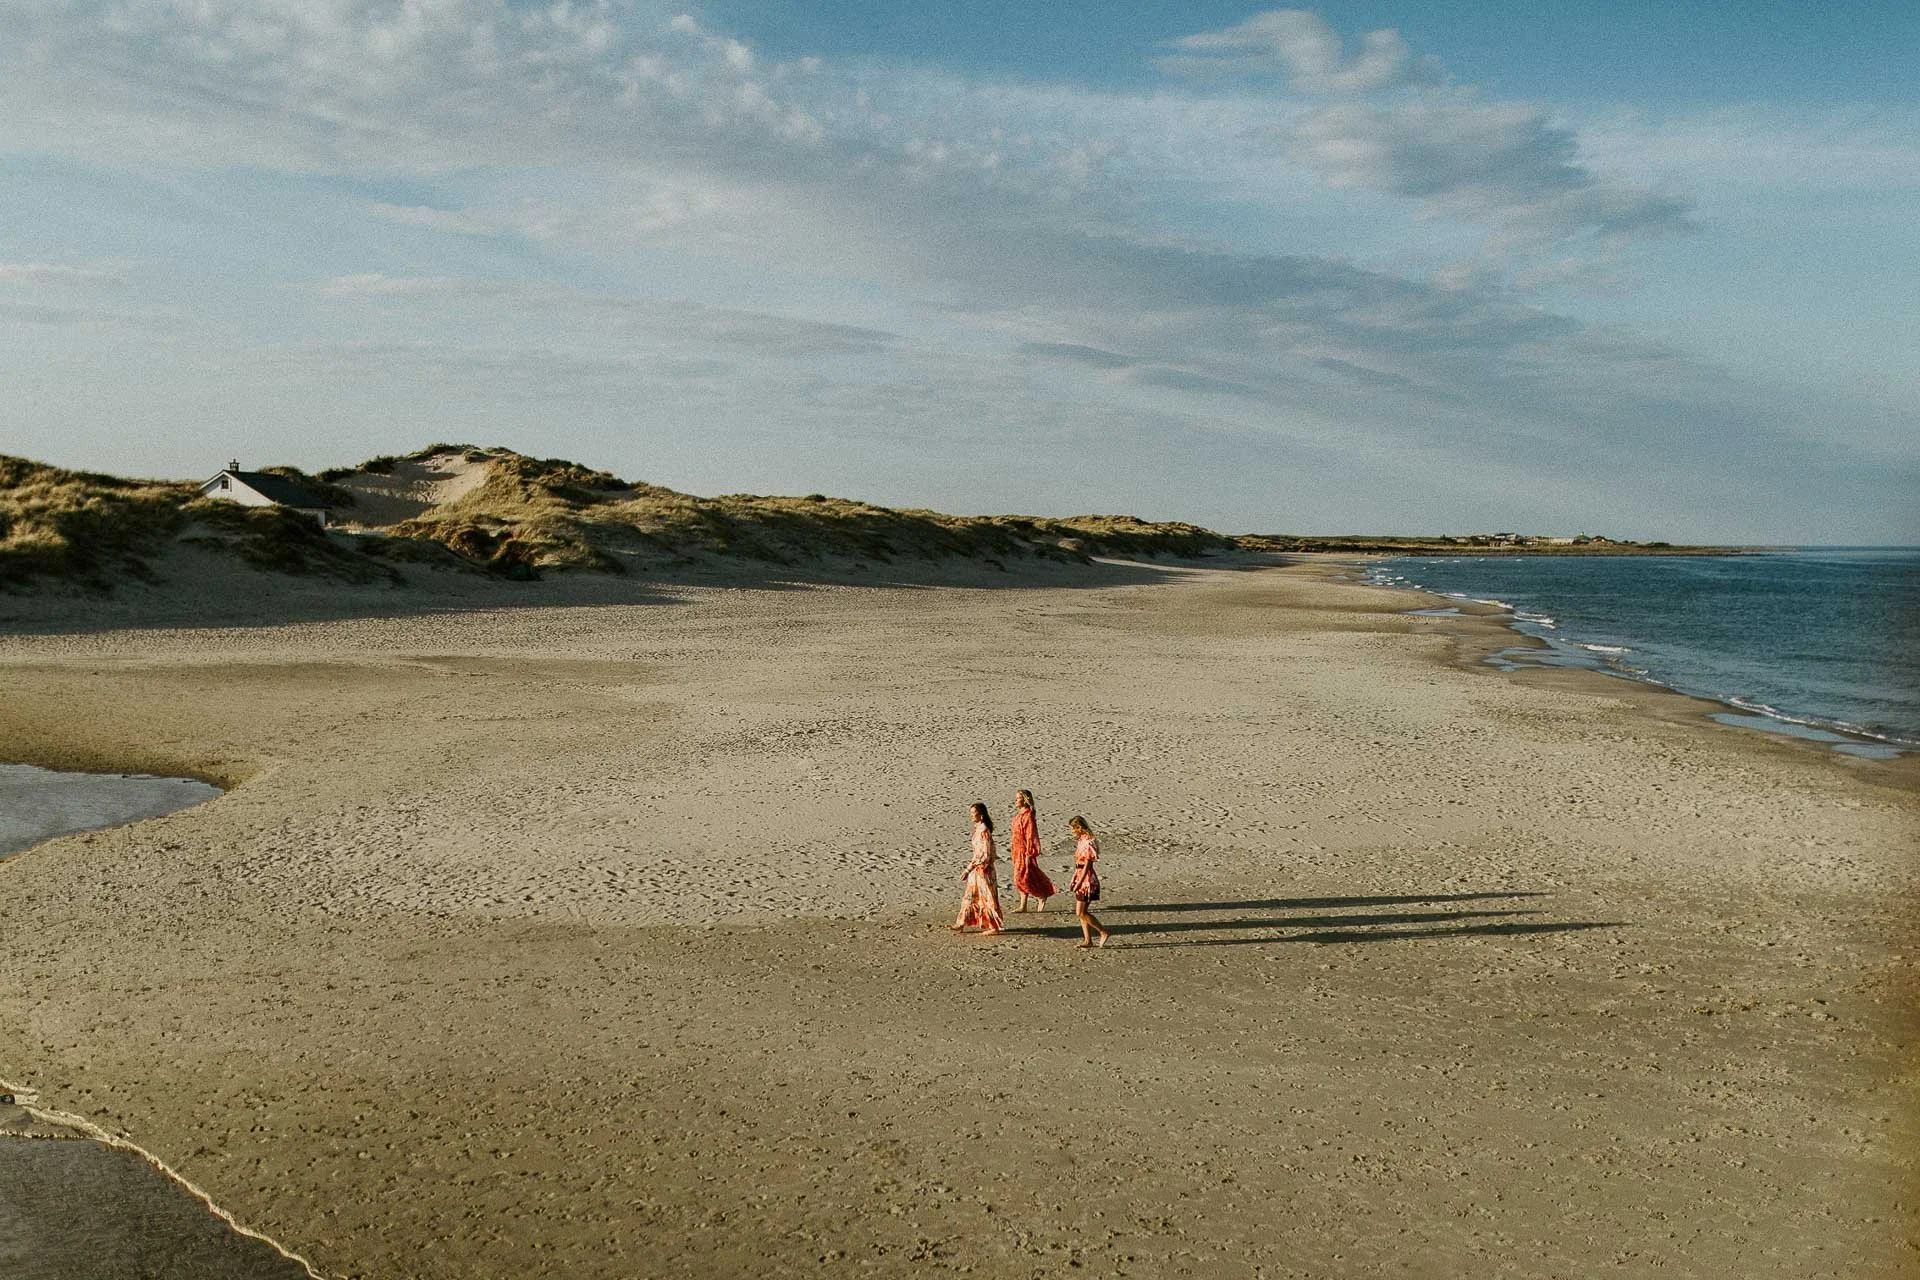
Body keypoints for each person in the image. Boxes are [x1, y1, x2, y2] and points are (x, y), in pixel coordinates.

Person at [951, 802, 1003, 934]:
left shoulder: (984, 831)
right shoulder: (978, 829)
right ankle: (961, 922)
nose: (972, 816)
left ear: (981, 815)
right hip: (976, 869)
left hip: (983, 870)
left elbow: (985, 854)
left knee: (987, 898)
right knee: (969, 896)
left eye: (974, 813)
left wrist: (968, 869)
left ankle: (994, 927)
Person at [1008, 789, 1054, 912]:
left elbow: (1030, 835)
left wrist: (1029, 852)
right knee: (1027, 875)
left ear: (1025, 800)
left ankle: (1040, 895)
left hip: (1024, 850)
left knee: (1021, 877)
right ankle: (1023, 905)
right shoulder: (1019, 815)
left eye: (1018, 798)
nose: (1015, 800)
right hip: (1017, 849)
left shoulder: (1028, 815)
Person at [1067, 815, 1110, 948]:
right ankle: (1087, 940)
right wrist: (1074, 879)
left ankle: (1102, 931)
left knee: (1080, 912)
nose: (1072, 831)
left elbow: (1087, 866)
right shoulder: (1082, 840)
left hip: (1087, 881)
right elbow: (1078, 865)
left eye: (1073, 829)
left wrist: (1079, 882)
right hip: (1080, 875)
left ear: (1079, 827)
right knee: (1082, 913)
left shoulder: (1089, 843)